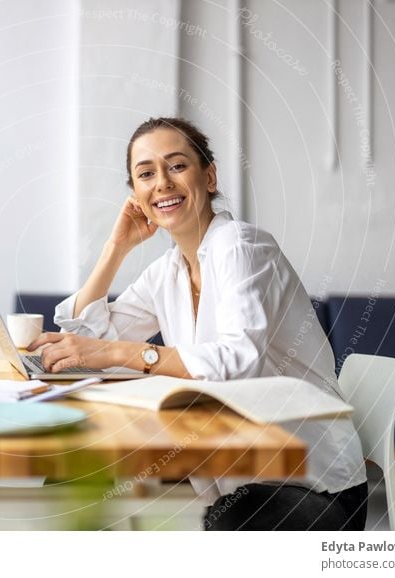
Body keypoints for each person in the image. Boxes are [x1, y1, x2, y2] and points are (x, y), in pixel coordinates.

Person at [27, 117, 368, 531]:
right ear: (136, 193)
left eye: (177, 166)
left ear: (209, 177)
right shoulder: (168, 269)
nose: (162, 183)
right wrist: (115, 249)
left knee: (230, 521)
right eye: (146, 174)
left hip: (316, 486)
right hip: (236, 481)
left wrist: (119, 353)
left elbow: (236, 360)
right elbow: (84, 344)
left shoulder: (241, 249)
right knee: (69, 478)